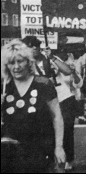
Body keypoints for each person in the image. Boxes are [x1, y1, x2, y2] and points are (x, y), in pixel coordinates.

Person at [1, 40, 65, 173]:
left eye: (20, 61)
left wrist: (59, 147)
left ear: (29, 62)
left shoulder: (43, 84)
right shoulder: (4, 87)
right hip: (10, 153)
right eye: (12, 63)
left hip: (40, 150)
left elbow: (57, 117)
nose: (16, 67)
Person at [44, 45, 83, 171]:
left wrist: (52, 58)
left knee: (67, 129)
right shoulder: (38, 61)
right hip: (48, 98)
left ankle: (69, 158)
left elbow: (77, 81)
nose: (62, 52)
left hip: (65, 98)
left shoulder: (60, 63)